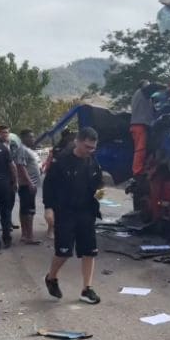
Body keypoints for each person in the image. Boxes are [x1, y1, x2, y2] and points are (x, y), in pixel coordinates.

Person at [42, 127, 104, 304]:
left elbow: (98, 182)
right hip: (65, 212)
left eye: (93, 148)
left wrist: (100, 192)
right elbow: (49, 186)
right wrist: (49, 208)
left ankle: (87, 289)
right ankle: (51, 277)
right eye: (87, 147)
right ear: (77, 141)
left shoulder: (93, 161)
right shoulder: (62, 161)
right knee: (64, 252)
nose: (90, 151)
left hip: (86, 211)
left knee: (90, 251)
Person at [42, 129, 75, 240]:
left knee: (56, 207)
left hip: (55, 180)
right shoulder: (65, 150)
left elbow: (48, 164)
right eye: (71, 136)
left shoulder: (57, 148)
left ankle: (53, 229)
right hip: (58, 181)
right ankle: (53, 229)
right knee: (57, 207)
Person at [15, 129, 42, 245]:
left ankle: (25, 235)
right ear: (24, 138)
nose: (33, 139)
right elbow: (21, 166)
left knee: (24, 209)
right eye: (30, 137)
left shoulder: (27, 150)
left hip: (28, 184)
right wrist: (30, 182)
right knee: (29, 211)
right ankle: (29, 236)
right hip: (27, 185)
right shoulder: (22, 149)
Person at [0, 125, 20, 230]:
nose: (5, 134)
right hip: (2, 175)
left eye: (6, 132)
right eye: (3, 132)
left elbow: (17, 157)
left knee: (11, 200)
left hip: (13, 175)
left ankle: (9, 221)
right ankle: (5, 224)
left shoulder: (13, 144)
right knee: (4, 202)